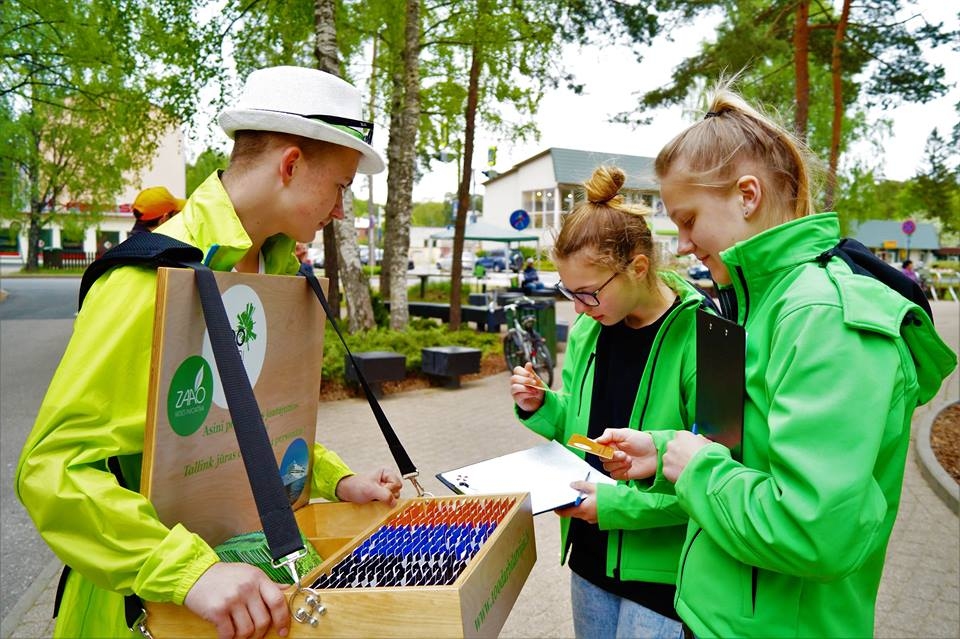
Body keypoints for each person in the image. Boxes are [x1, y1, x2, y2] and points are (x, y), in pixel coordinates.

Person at [16, 65, 401, 639]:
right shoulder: (148, 278)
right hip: (140, 614)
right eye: (342, 186)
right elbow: (51, 471)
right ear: (290, 165)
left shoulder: (276, 273)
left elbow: (248, 428)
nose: (341, 209)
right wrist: (191, 573)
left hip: (246, 599)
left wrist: (335, 480)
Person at [595, 81, 957, 638]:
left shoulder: (820, 316)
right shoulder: (756, 304)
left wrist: (693, 469)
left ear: (747, 195)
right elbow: (749, 454)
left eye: (689, 219)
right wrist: (665, 450)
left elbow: (811, 530)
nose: (684, 243)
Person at [510, 165, 710, 638]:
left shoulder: (702, 337)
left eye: (587, 293)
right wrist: (544, 407)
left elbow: (711, 479)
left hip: (661, 575)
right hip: (589, 554)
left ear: (638, 268)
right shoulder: (588, 329)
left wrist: (616, 506)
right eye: (568, 292)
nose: (577, 308)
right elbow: (580, 434)